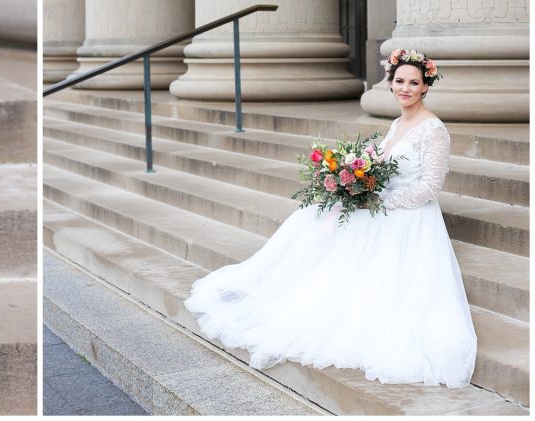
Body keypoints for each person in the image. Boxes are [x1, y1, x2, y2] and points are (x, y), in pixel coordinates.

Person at [184, 49, 477, 387]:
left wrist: (379, 202)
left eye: (414, 82)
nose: (405, 88)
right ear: (390, 84)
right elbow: (380, 165)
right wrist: (355, 180)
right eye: (399, 81)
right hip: (381, 205)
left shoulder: (434, 130)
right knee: (312, 216)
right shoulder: (398, 123)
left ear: (426, 86)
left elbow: (430, 187)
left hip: (410, 218)